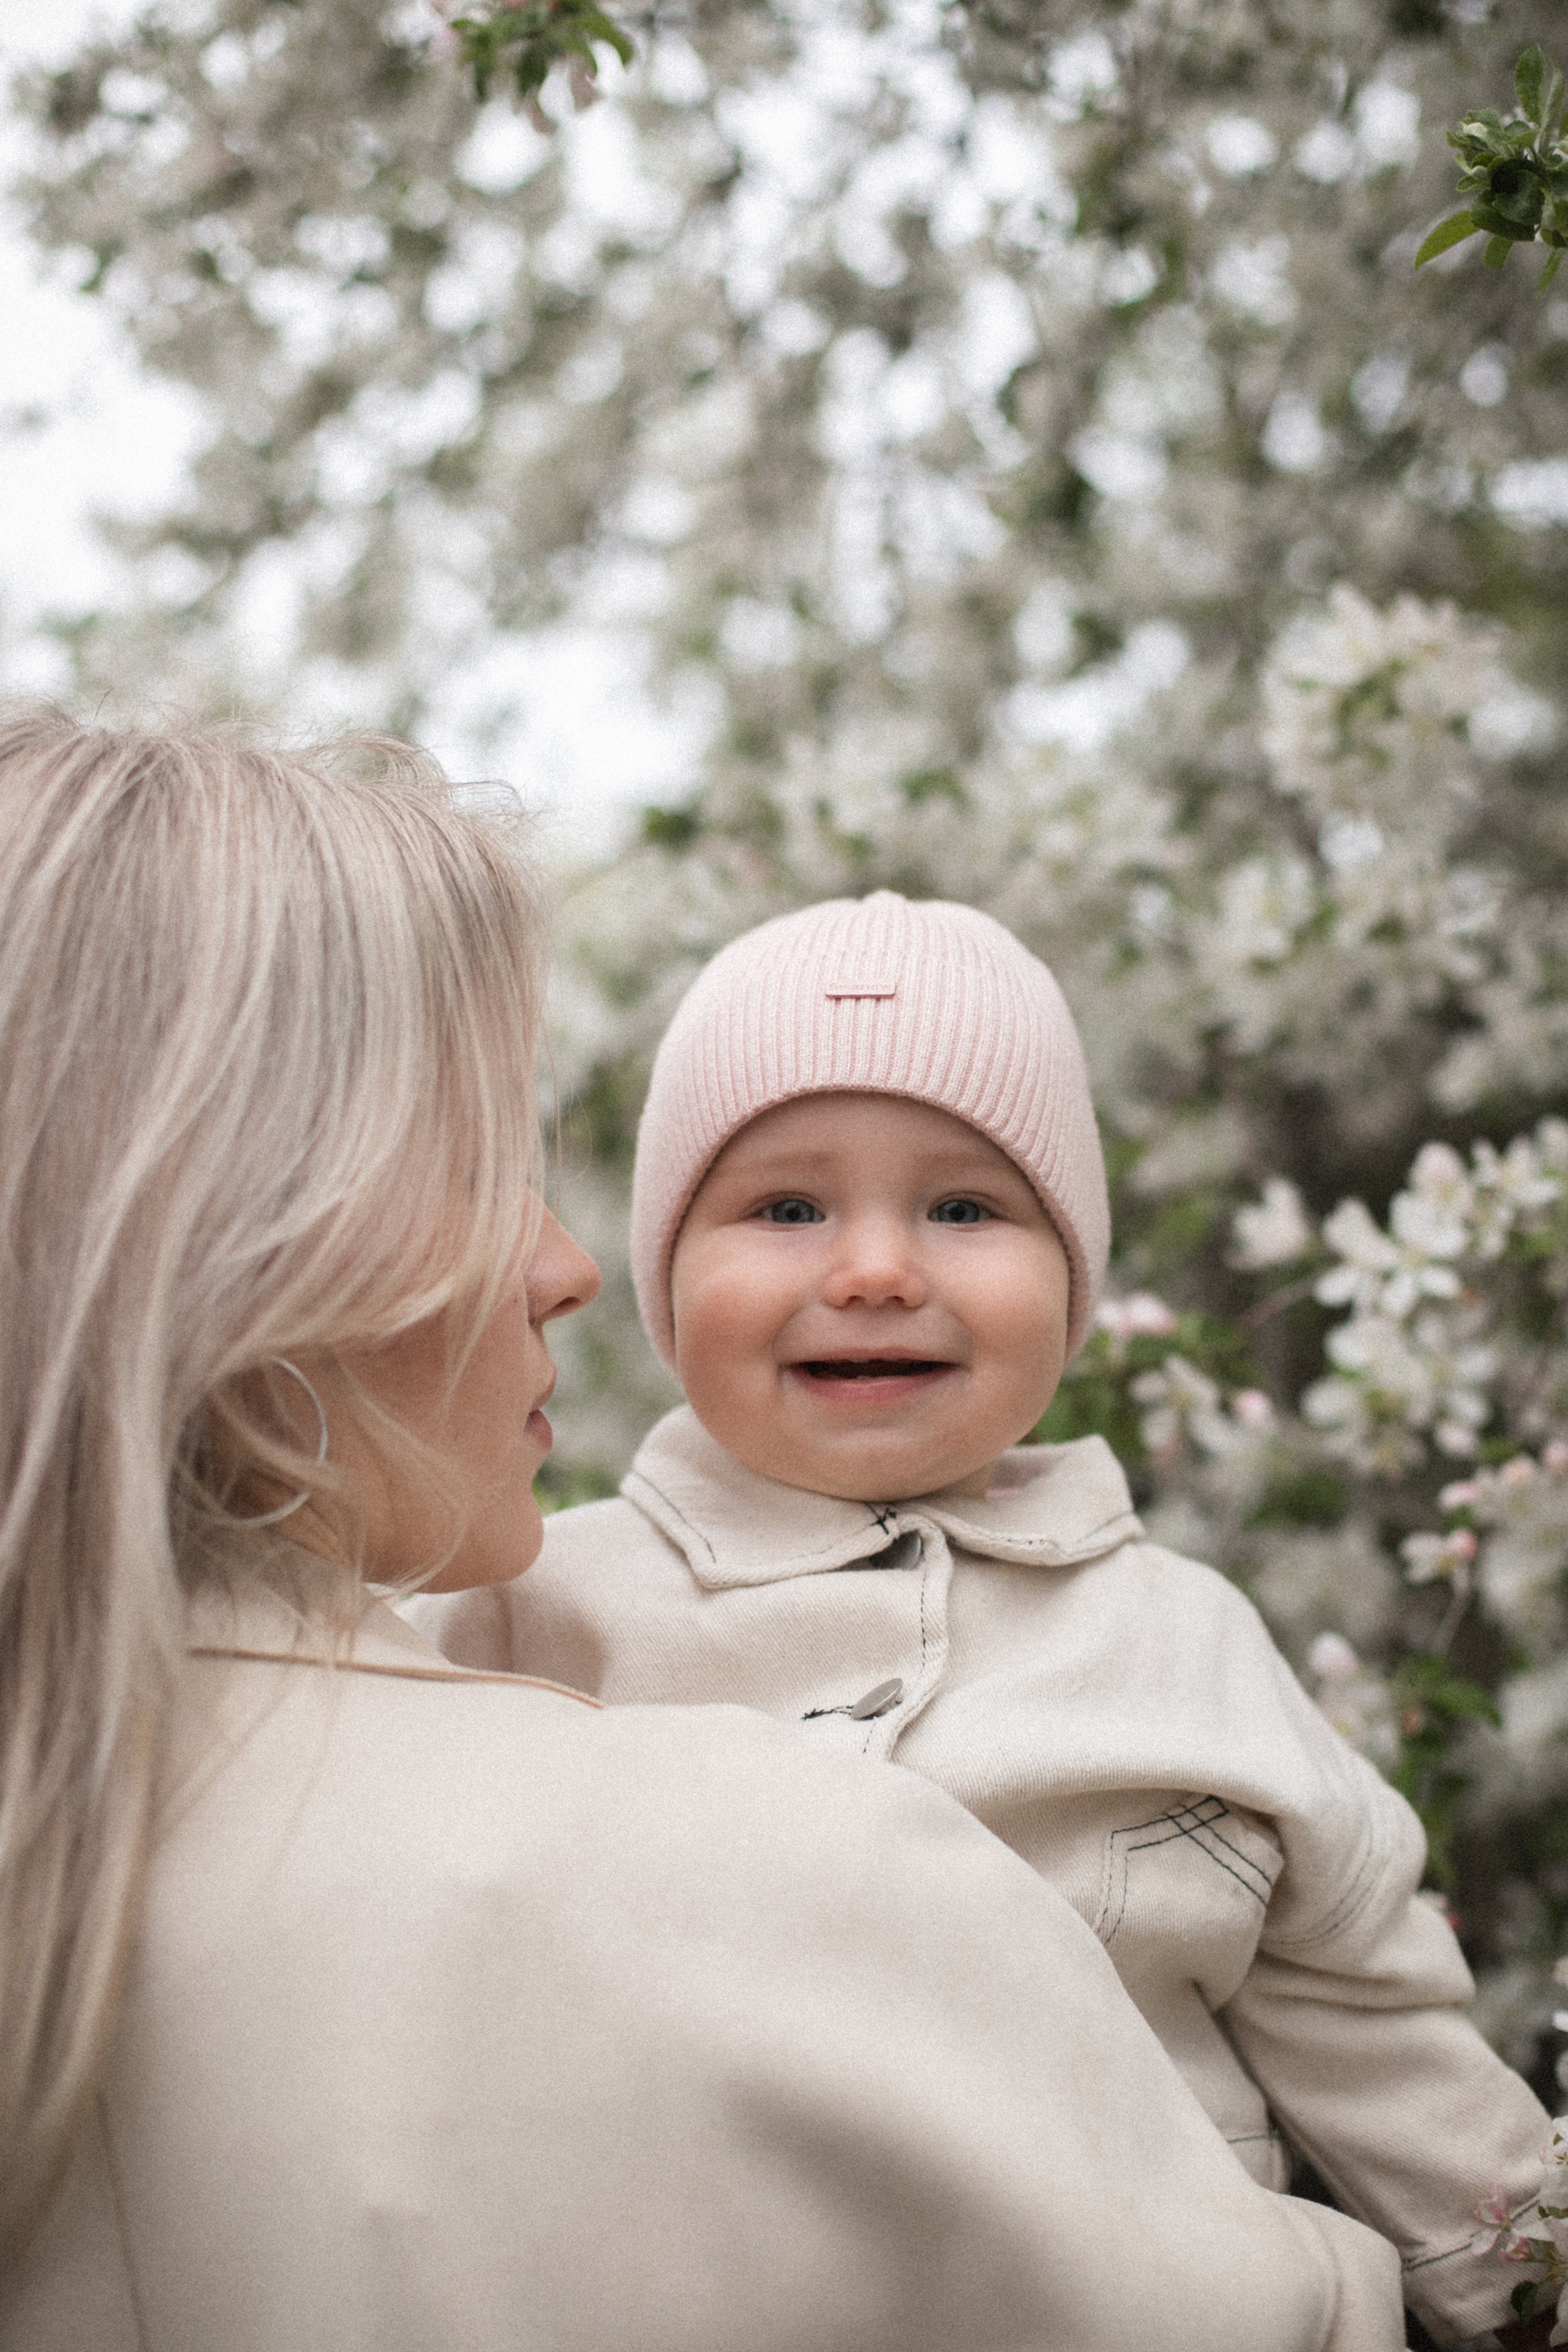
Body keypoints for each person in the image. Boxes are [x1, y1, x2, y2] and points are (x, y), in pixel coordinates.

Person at [0, 712, 1403, 2352]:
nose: (568, 1268)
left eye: (963, 1204)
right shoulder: (790, 1876)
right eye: (480, 1162)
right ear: (236, 1233)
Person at [411, 887, 1552, 2352]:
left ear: (1072, 1279)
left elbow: (1366, 2016)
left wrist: (1519, 2285)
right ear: (661, 1274)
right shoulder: (532, 1606)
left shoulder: (1178, 1635)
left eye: (963, 1208)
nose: (876, 1268)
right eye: (785, 1207)